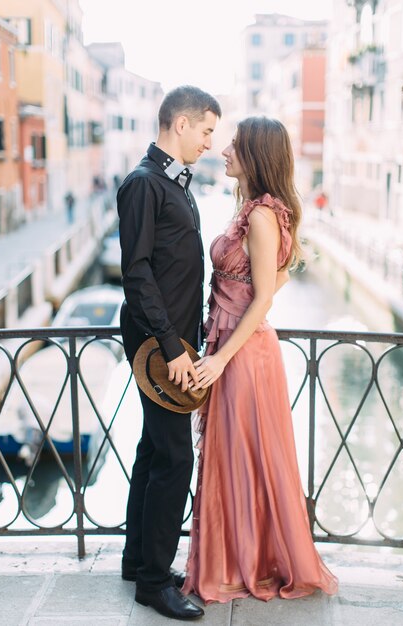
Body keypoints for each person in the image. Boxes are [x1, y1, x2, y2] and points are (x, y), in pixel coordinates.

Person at [182, 117, 339, 604]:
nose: (224, 150)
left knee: (243, 455)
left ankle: (242, 563)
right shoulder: (253, 210)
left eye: (234, 145)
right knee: (234, 456)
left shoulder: (262, 216)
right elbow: (279, 277)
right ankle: (235, 559)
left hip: (243, 354)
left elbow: (265, 297)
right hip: (234, 345)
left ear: (254, 155)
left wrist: (222, 357)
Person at [117, 85, 221, 621]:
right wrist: (170, 347)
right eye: (205, 131)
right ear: (179, 125)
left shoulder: (172, 182)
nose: (210, 142)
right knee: (175, 457)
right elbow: (136, 272)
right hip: (160, 348)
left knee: (154, 450)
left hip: (174, 341)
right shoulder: (142, 183)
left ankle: (138, 561)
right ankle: (154, 583)